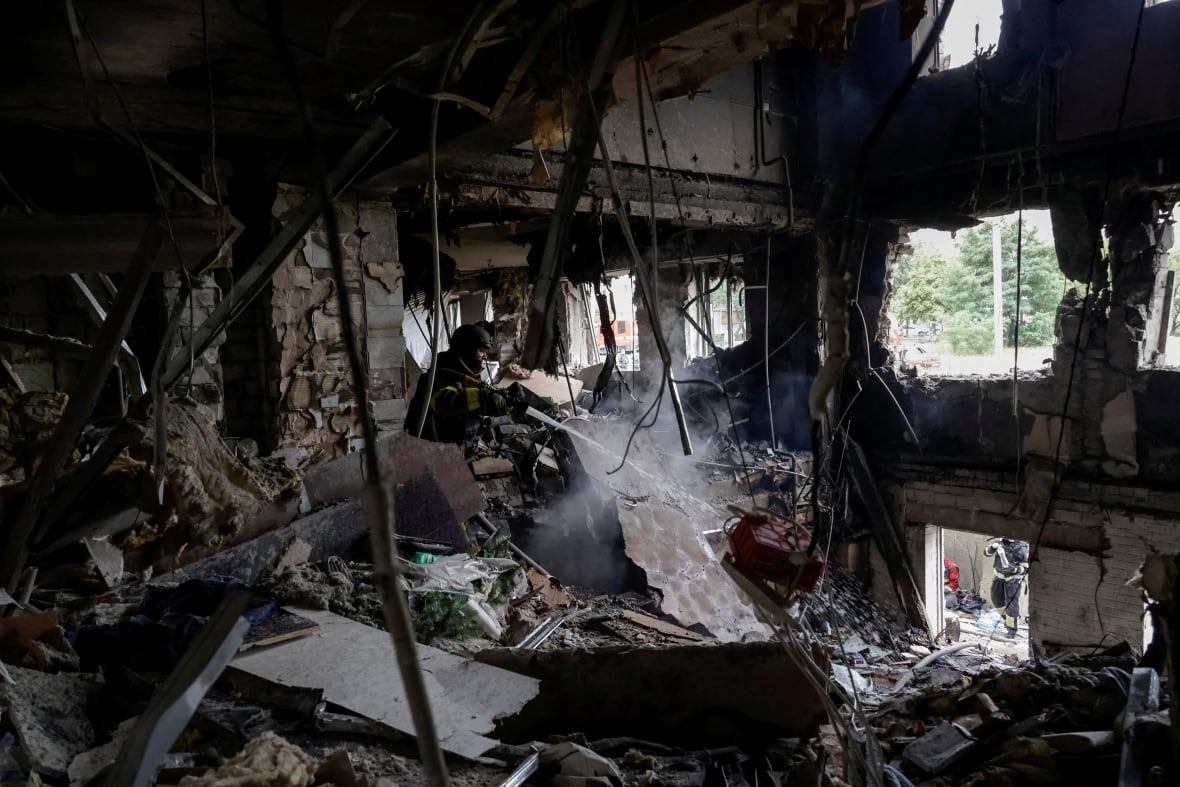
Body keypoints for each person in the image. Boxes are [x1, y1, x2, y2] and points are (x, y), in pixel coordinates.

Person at [404, 323, 510, 444]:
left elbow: (478, 393)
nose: (485, 357)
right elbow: (443, 402)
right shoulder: (439, 373)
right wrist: (483, 397)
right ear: (467, 348)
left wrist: (505, 395)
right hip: (433, 448)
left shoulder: (465, 372)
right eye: (481, 350)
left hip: (457, 442)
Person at [984, 537, 1029, 638]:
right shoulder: (999, 543)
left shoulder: (1022, 548)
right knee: (996, 600)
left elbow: (1026, 568)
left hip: (1012, 581)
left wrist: (1014, 570)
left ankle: (1012, 630)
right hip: (999, 578)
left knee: (1011, 606)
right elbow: (986, 553)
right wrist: (992, 547)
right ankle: (1007, 620)